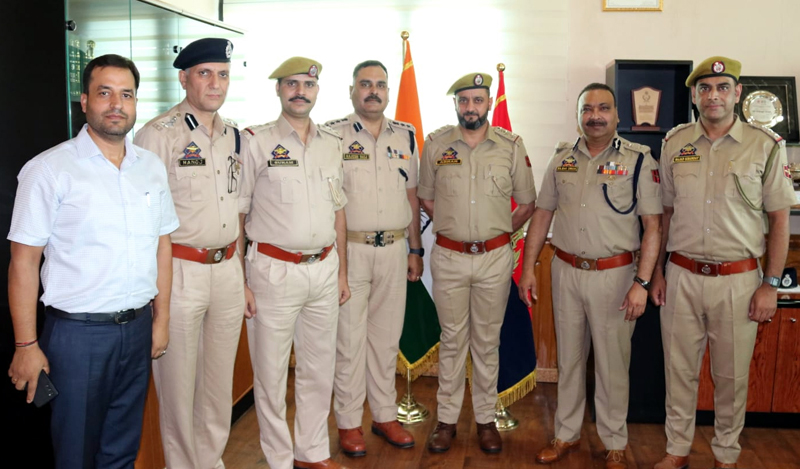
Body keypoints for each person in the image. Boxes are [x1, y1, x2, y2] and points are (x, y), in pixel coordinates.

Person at [7, 54, 179, 468]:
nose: (116, 104)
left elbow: (163, 246)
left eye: (127, 94)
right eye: (105, 93)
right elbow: (23, 263)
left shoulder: (150, 168)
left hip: (137, 330)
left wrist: (161, 321)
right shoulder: (49, 169)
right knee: (76, 452)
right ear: (84, 100)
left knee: (122, 448)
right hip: (77, 337)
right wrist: (26, 345)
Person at [650, 56, 795, 469]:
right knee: (678, 374)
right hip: (681, 275)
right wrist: (658, 272)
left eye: (722, 87)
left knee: (731, 378)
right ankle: (676, 450)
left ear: (737, 94)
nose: (713, 95)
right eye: (705, 89)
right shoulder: (675, 143)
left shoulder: (764, 146)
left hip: (739, 280)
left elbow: (779, 219)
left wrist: (771, 283)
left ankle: (726, 455)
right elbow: (665, 215)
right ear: (694, 96)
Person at [518, 83, 662, 469]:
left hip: (615, 277)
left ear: (617, 116)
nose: (595, 116)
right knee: (569, 359)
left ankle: (614, 440)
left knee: (613, 364)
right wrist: (529, 268)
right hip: (565, 271)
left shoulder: (638, 160)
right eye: (587, 109)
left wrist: (642, 283)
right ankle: (565, 434)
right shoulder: (562, 157)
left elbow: (653, 226)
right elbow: (542, 214)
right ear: (578, 115)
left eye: (603, 108)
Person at [133, 38, 247, 469]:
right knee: (179, 386)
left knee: (217, 384)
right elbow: (144, 219)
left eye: (222, 74)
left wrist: (244, 276)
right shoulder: (158, 134)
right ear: (184, 78)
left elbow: (240, 207)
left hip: (227, 269)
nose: (215, 83)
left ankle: (211, 461)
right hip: (179, 271)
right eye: (204, 73)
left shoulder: (236, 134)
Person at [239, 57, 350, 469]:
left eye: (308, 84)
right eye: (291, 84)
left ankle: (312, 452)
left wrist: (340, 272)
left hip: (323, 269)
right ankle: (280, 460)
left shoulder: (332, 144)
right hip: (272, 271)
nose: (300, 91)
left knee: (319, 370)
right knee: (270, 376)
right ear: (278, 90)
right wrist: (241, 280)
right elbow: (238, 212)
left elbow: (339, 212)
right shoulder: (255, 141)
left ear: (317, 90)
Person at [418, 72, 536, 454]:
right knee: (452, 341)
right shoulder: (436, 144)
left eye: (478, 100)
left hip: (494, 259)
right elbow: (427, 199)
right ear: (456, 104)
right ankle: (447, 421)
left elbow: (527, 204)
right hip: (450, 257)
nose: (471, 107)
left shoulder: (511, 146)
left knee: (487, 342)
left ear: (488, 103)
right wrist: (456, 230)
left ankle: (486, 419)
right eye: (464, 100)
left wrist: (498, 232)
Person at [324, 60, 422, 457]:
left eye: (380, 85)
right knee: (349, 342)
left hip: (396, 250)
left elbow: (412, 197)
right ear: (352, 90)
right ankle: (349, 423)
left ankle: (384, 415)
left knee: (386, 340)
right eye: (365, 84)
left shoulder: (407, 136)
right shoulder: (332, 135)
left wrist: (415, 249)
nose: (374, 91)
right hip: (352, 251)